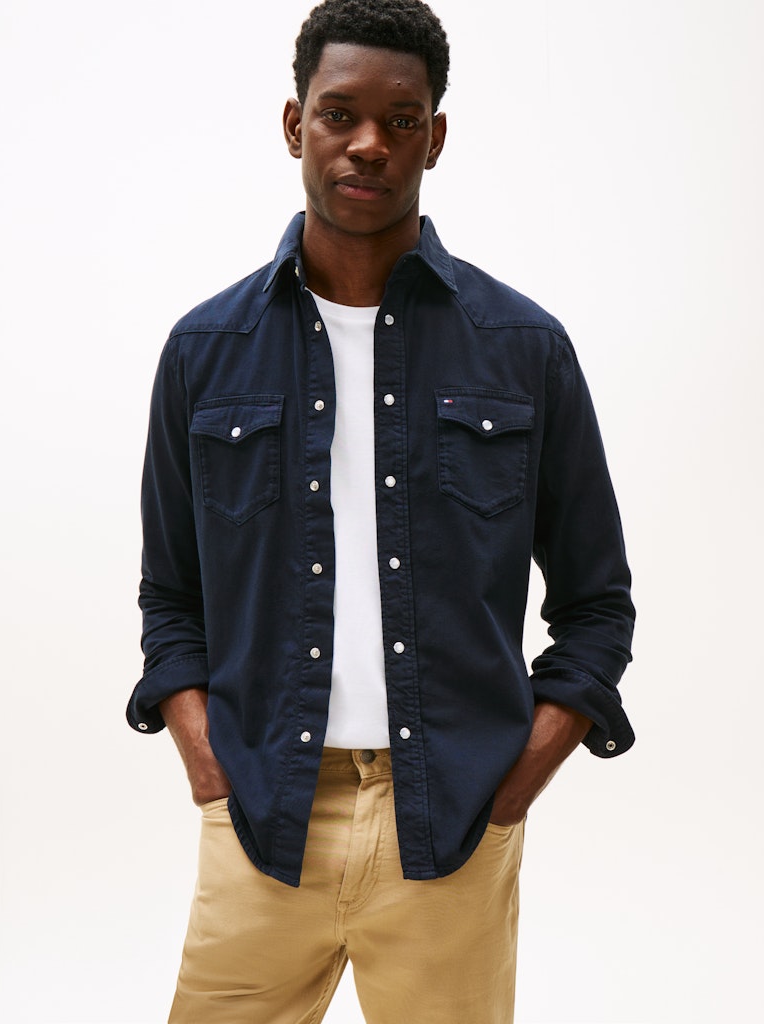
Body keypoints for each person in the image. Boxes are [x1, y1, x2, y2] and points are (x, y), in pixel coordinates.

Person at [127, 1, 635, 1021]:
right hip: (261, 818)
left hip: (453, 823)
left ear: (434, 138)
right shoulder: (206, 351)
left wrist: (512, 784)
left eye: (402, 121)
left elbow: (596, 607)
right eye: (339, 114)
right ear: (295, 124)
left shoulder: (523, 349)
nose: (369, 143)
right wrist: (209, 761)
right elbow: (170, 598)